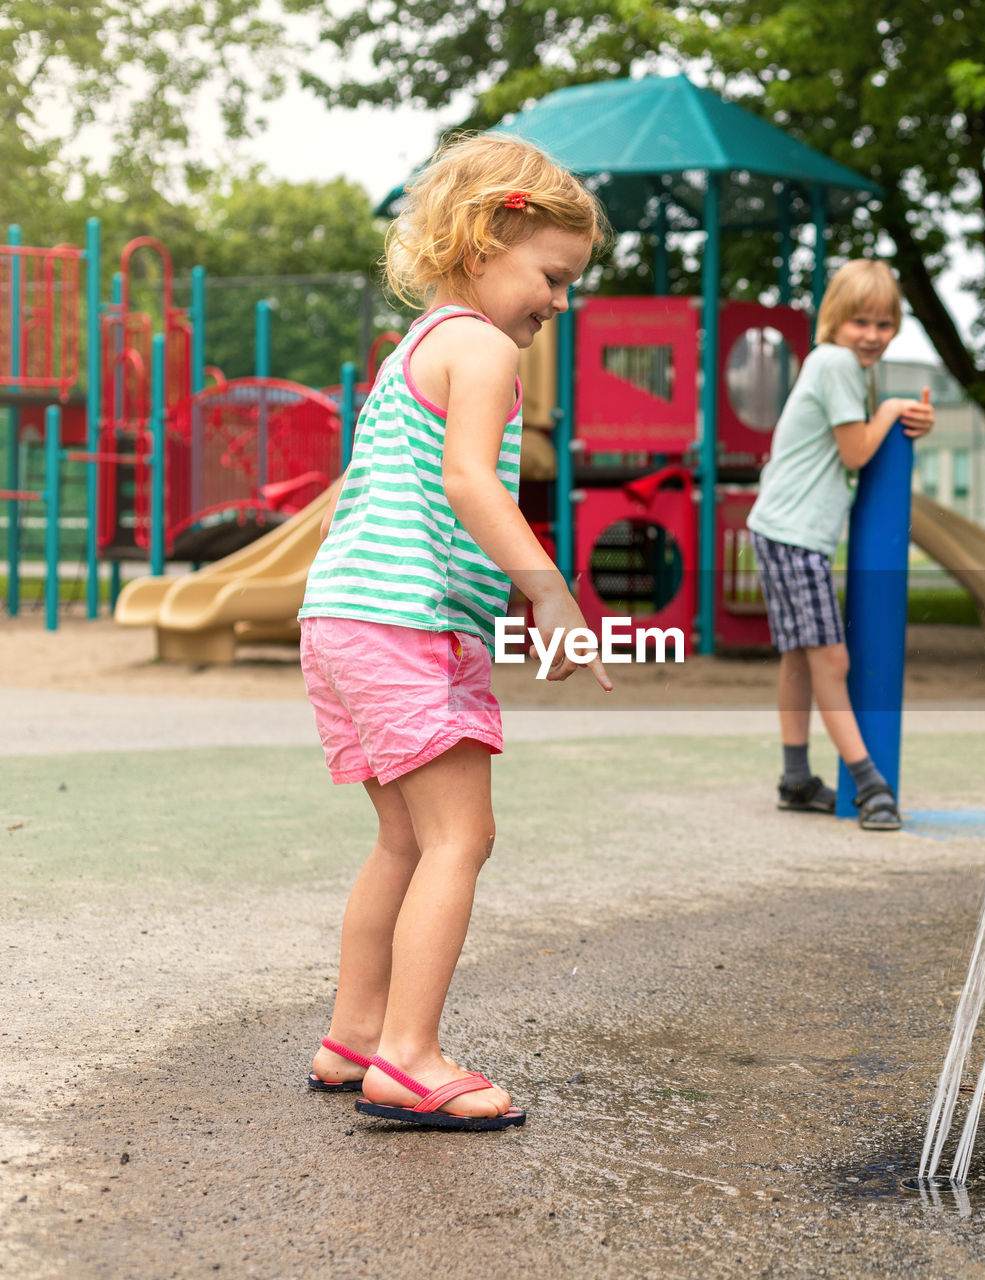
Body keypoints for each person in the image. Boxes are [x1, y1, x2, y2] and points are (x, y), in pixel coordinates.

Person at [298, 133, 611, 1129]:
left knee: (402, 838)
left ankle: (353, 1035)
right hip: (404, 625)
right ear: (485, 239)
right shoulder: (478, 346)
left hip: (345, 618)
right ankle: (408, 1053)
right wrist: (549, 592)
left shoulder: (419, 345)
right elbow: (469, 481)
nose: (557, 302)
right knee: (459, 836)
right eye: (551, 276)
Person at [746, 259, 934, 831]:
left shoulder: (840, 364)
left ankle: (796, 777)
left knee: (801, 658)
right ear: (835, 321)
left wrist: (894, 416)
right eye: (861, 323)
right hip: (794, 533)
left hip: (785, 527)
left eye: (884, 324)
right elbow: (856, 451)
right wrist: (890, 410)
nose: (873, 335)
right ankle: (870, 782)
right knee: (831, 658)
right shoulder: (836, 363)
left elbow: (858, 444)